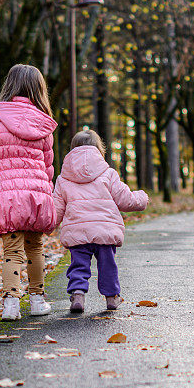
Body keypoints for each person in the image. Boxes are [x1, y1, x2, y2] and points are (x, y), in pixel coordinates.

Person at [0, 64, 57, 321]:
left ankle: (11, 305)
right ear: (39, 91)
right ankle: (37, 301)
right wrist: (47, 196)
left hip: (8, 199)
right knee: (36, 249)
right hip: (36, 198)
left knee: (12, 253)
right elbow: (48, 169)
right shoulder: (44, 127)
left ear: (10, 86)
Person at [53, 130, 148, 313]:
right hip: (105, 230)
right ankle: (112, 297)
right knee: (107, 264)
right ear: (99, 150)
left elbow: (56, 209)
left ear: (72, 149)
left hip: (77, 231)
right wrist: (142, 198)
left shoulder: (63, 177)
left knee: (78, 265)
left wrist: (46, 224)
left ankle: (78, 294)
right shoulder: (108, 173)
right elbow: (125, 199)